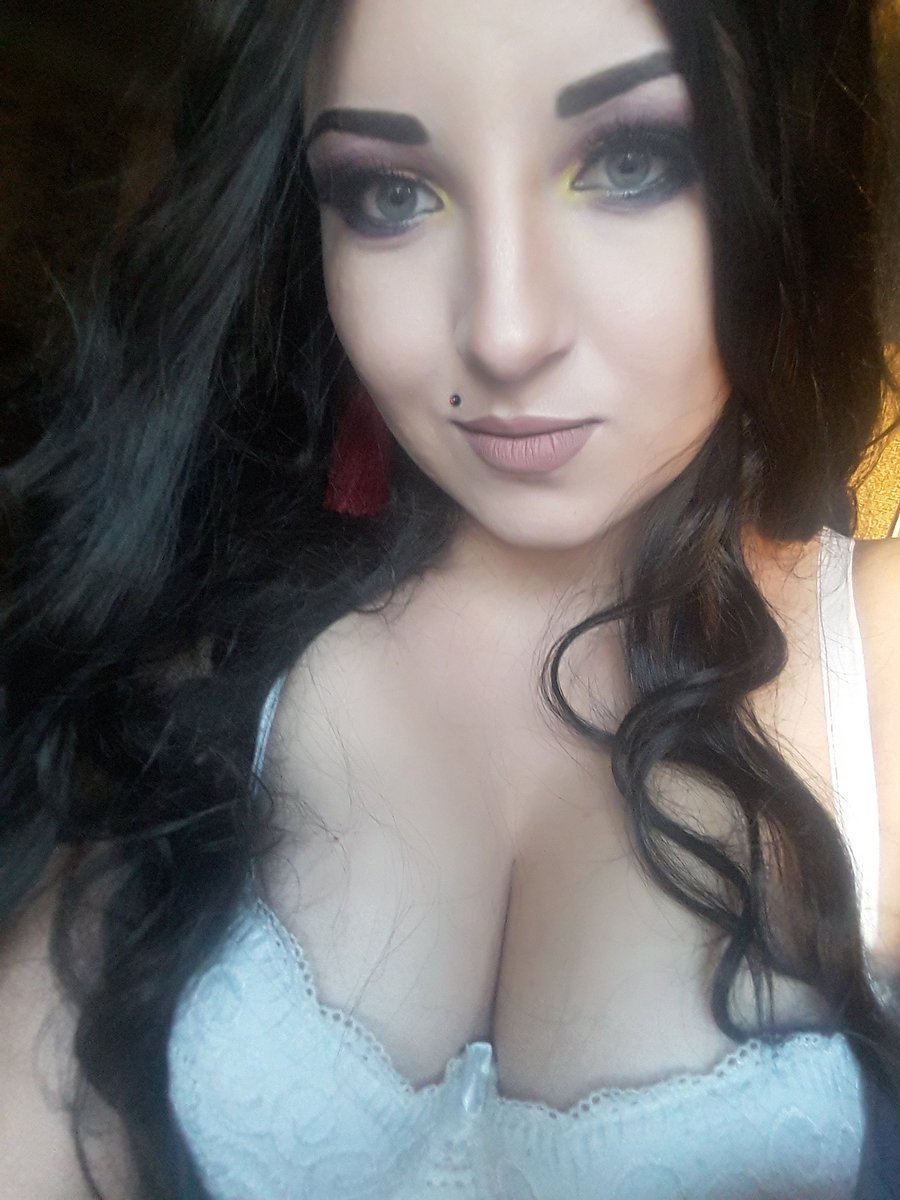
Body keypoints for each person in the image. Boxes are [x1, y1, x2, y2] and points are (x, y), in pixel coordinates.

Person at [1, 0, 899, 1196]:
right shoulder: (222, 656)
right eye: (392, 194)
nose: (506, 334)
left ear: (780, 165)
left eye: (629, 163)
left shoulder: (878, 664)